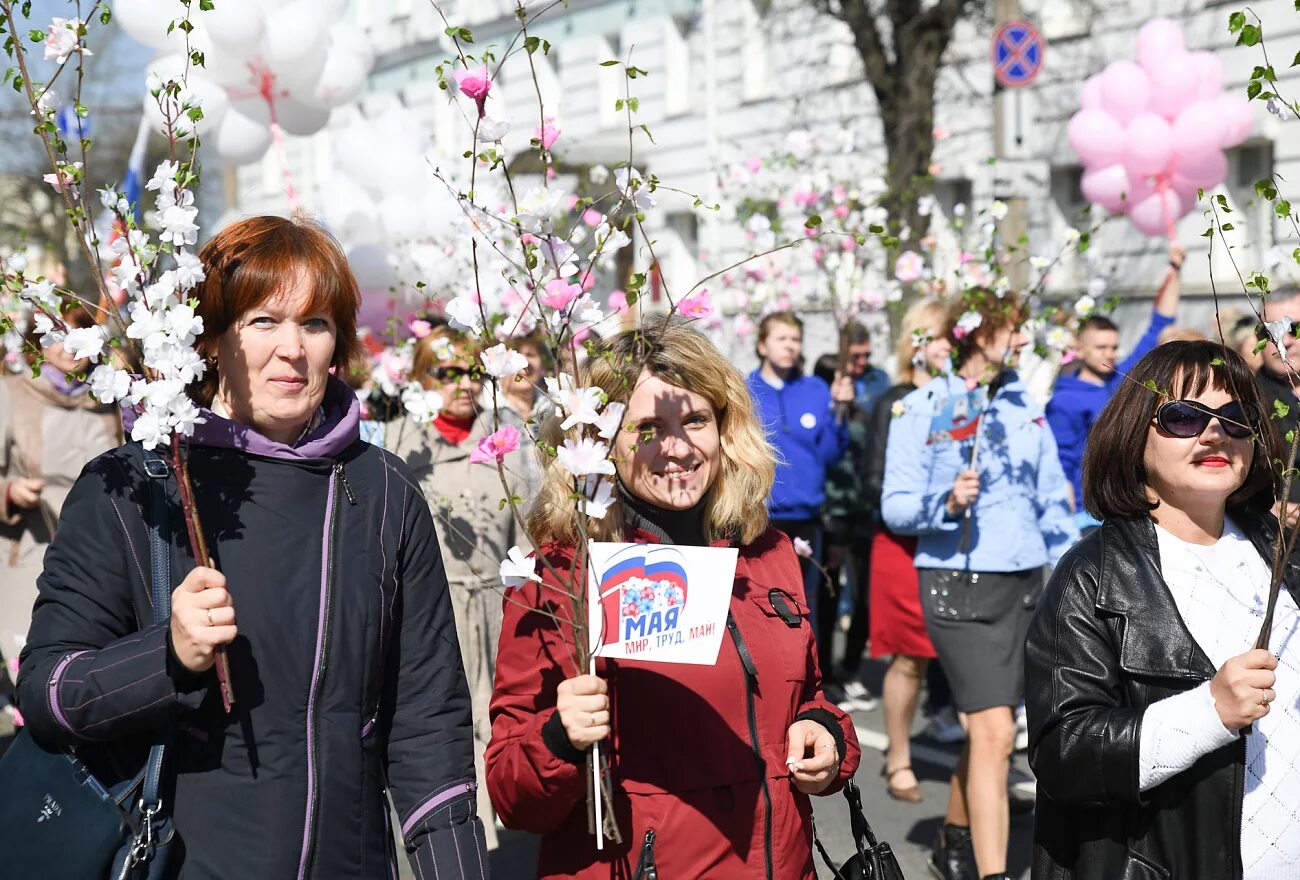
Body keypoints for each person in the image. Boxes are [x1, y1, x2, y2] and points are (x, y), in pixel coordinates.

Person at [16, 216, 486, 878]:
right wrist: (167, 658)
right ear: (211, 339)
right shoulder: (133, 486)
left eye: (316, 324)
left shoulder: (381, 493)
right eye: (264, 321)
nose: (292, 348)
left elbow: (428, 725)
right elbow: (46, 692)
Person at [486, 316, 861, 879]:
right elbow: (512, 794)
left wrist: (826, 735)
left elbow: (805, 694)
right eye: (648, 428)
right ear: (602, 440)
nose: (678, 448)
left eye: (695, 420)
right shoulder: (561, 577)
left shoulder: (769, 551)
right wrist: (560, 738)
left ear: (725, 428)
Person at [1026, 340, 1289, 879]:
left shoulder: (1283, 550)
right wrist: (1208, 712)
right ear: (1134, 435)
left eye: (1235, 418)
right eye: (1184, 417)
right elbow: (1064, 757)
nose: (1215, 433)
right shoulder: (1092, 575)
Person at [882, 290, 1078, 880]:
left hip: (1024, 587)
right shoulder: (925, 406)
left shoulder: (1025, 405)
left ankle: (954, 838)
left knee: (988, 730)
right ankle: (995, 875)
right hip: (956, 587)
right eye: (1010, 330)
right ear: (975, 335)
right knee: (994, 730)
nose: (1021, 341)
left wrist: (1074, 570)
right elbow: (895, 507)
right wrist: (946, 502)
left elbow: (1050, 500)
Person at [389, 323, 524, 849]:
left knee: (494, 713)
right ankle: (446, 832)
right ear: (424, 380)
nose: (461, 384)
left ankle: (494, 827)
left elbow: (528, 529)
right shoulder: (402, 441)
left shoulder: (506, 438)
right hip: (432, 607)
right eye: (445, 373)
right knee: (443, 721)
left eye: (471, 372)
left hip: (495, 604)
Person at [864, 298, 951, 803]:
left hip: (953, 541)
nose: (947, 349)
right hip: (901, 543)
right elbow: (875, 480)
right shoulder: (893, 401)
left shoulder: (964, 400)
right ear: (917, 343)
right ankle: (899, 757)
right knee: (911, 657)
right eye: (938, 338)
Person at [0, 305, 123, 659]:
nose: (68, 347)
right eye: (57, 336)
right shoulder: (13, 392)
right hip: (32, 544)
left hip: (97, 551)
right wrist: (10, 492)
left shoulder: (108, 399)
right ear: (38, 342)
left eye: (78, 336)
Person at [1046, 243, 1185, 531]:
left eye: (1113, 347)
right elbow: (1060, 458)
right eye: (1100, 347)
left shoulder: (1124, 377)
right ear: (1079, 349)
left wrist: (1174, 269)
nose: (1108, 353)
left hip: (1129, 503)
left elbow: (1159, 324)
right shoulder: (1065, 399)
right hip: (1087, 513)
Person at [746, 311, 853, 636]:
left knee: (805, 604)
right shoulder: (745, 388)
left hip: (807, 517)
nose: (790, 347)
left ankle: (811, 679)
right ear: (763, 345)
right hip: (760, 517)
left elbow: (831, 455)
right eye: (782, 339)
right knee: (761, 602)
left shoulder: (817, 389)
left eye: (795, 340)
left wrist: (840, 412)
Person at [810, 352, 877, 711]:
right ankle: (827, 676)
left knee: (864, 599)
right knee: (829, 600)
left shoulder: (863, 416)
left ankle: (850, 669)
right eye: (839, 379)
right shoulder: (823, 416)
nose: (848, 385)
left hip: (862, 514)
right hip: (831, 517)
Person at [1253, 291, 1300, 502]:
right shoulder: (1247, 401)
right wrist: (1268, 511)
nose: (1284, 341)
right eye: (1270, 332)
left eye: (1295, 329)